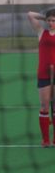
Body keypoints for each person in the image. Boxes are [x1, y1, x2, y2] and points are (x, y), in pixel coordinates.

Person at [28, 8, 55, 147]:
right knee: (45, 106)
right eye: (49, 20)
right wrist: (44, 17)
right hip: (44, 75)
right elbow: (30, 15)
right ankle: (45, 140)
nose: (50, 23)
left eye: (53, 20)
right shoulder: (41, 33)